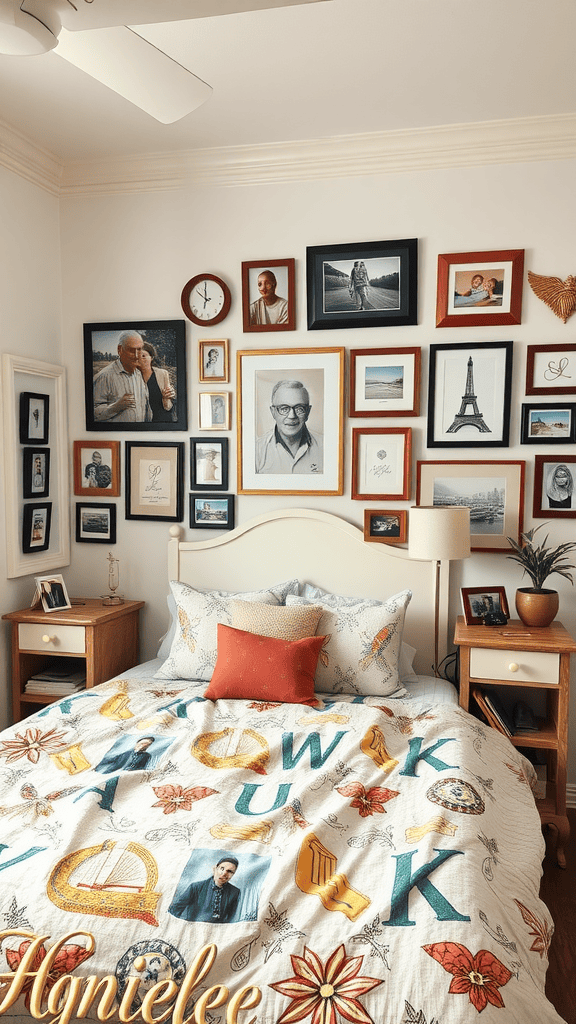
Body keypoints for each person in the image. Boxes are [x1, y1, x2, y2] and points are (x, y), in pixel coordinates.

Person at [255, 380, 323, 474]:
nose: (292, 416)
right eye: (284, 408)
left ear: (308, 412)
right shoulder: (257, 450)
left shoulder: (326, 446)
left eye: (300, 408)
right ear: (273, 412)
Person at [93, 331, 152, 423]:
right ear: (119, 350)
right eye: (131, 350)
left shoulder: (138, 374)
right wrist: (116, 407)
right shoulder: (104, 376)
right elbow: (92, 413)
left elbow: (146, 408)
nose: (137, 356)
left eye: (139, 349)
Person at [169, 856, 240, 923]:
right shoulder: (195, 887)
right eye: (222, 868)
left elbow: (232, 918)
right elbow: (174, 911)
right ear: (215, 869)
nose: (224, 873)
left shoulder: (235, 892)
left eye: (229, 871)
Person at [138, 341, 176, 423]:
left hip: (163, 420)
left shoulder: (162, 374)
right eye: (138, 356)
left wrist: (168, 396)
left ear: (151, 357)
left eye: (144, 356)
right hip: (142, 423)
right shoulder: (131, 377)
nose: (141, 359)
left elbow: (168, 405)